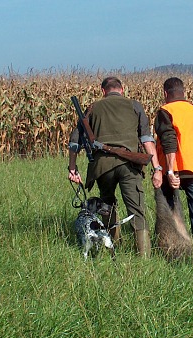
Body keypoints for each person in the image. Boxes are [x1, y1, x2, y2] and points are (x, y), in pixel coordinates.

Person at [68, 76, 161, 257]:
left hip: (103, 167)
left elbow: (74, 142)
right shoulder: (134, 106)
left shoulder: (92, 108)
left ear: (103, 91)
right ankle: (144, 258)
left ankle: (113, 246)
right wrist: (157, 168)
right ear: (122, 89)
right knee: (136, 211)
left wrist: (73, 168)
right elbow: (146, 139)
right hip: (130, 165)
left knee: (107, 206)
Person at [154, 77, 193, 247]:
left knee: (169, 211)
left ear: (165, 93)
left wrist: (168, 171)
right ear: (184, 92)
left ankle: (172, 245)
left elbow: (169, 141)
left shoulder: (165, 111)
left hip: (173, 170)